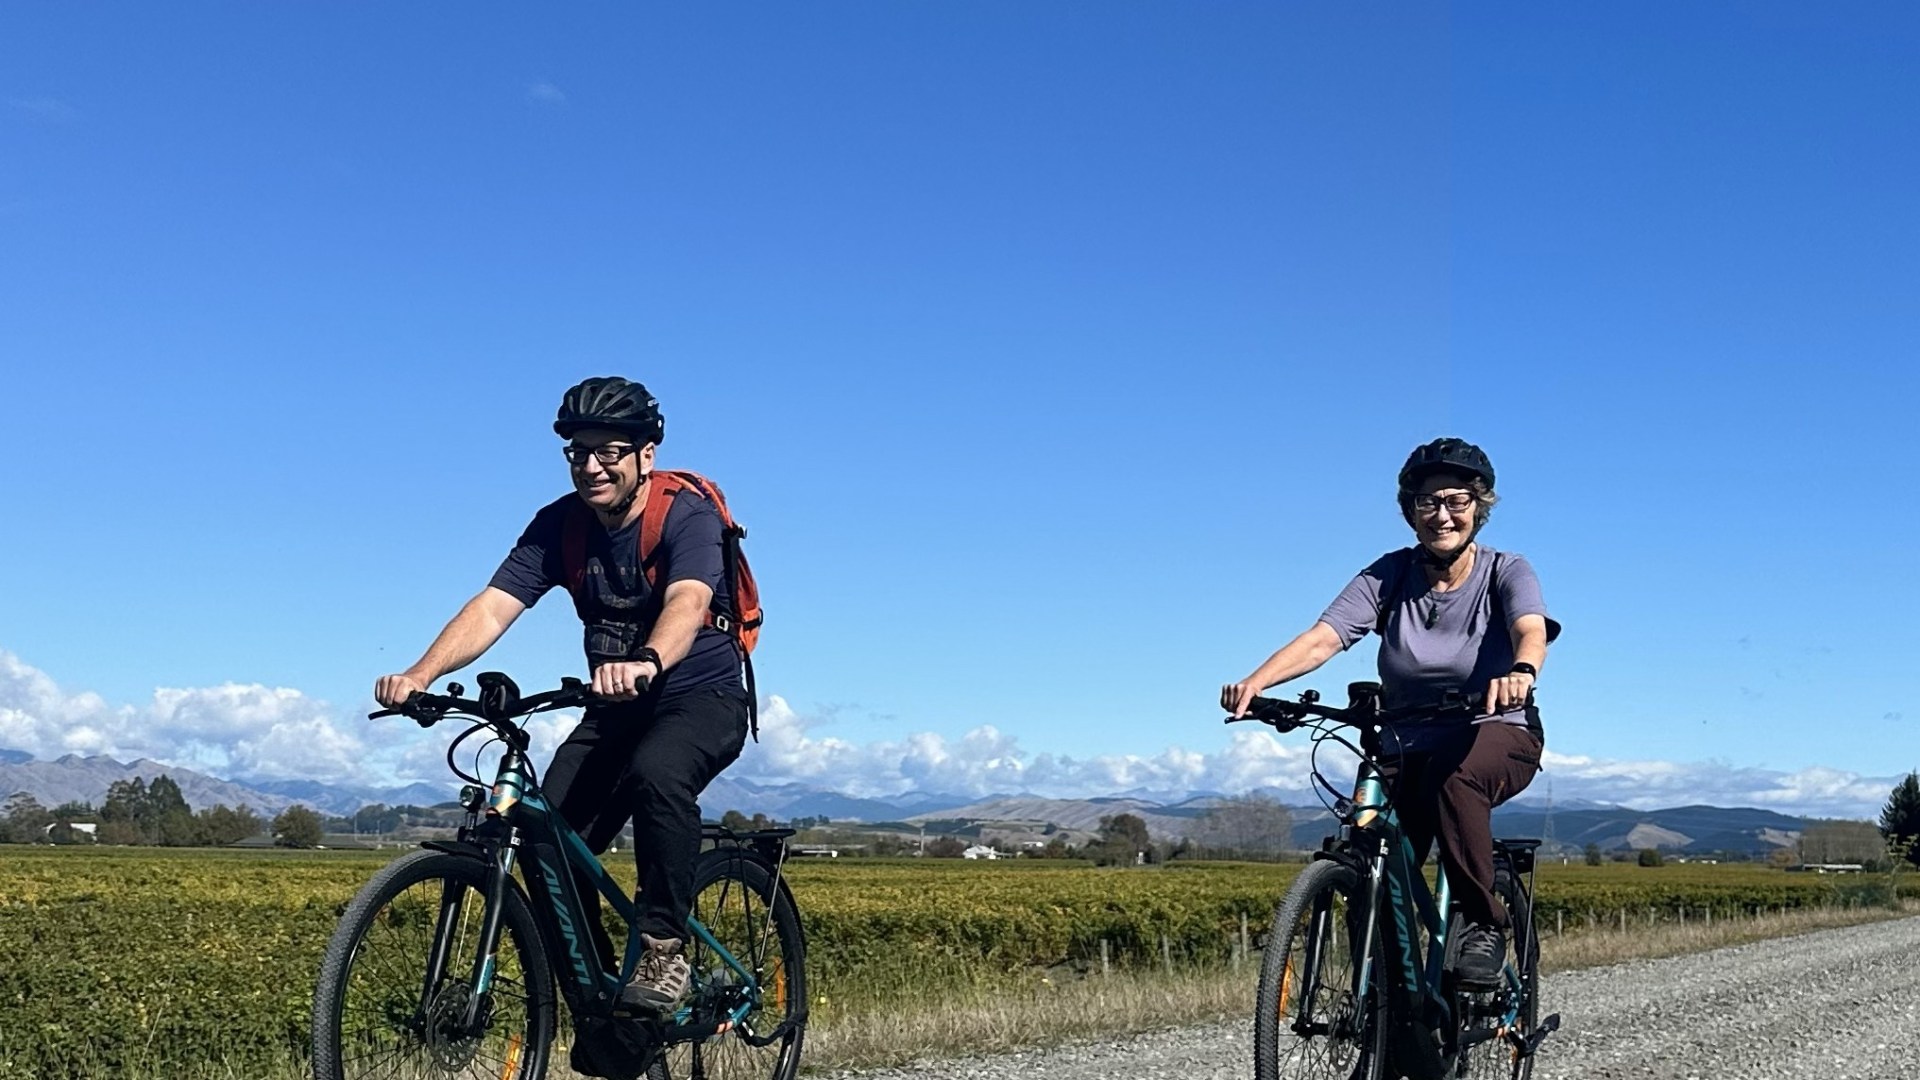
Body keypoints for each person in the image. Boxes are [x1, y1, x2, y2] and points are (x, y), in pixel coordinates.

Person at [374, 376, 752, 1012]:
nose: (592, 465)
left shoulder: (686, 515)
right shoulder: (559, 526)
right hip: (614, 706)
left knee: (657, 774)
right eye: (579, 451)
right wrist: (421, 673)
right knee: (547, 842)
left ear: (644, 456)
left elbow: (688, 599)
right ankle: (605, 1005)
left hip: (701, 694)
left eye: (609, 450)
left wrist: (648, 659)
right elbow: (494, 606)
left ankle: (663, 950)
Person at [1221, 437, 1559, 987]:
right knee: (1369, 843)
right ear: (1409, 511)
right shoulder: (1389, 574)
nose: (1442, 514)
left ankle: (1483, 924)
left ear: (1479, 506)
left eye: (1456, 500)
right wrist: (1256, 683)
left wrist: (1521, 673)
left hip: (1494, 728)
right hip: (1406, 737)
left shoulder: (1506, 570)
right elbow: (1324, 638)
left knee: (1459, 783)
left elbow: (1530, 628)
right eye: (1427, 502)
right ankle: (1383, 1008)